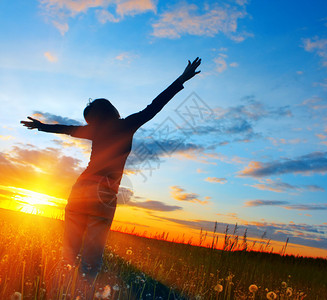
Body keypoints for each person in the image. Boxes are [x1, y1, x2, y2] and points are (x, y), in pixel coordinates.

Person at [20, 57, 201, 284]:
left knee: (69, 253)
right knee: (91, 261)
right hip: (103, 192)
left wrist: (40, 126)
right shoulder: (126, 124)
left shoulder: (94, 130)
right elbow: (156, 105)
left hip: (81, 188)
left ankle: (61, 291)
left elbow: (66, 129)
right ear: (111, 110)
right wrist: (182, 78)